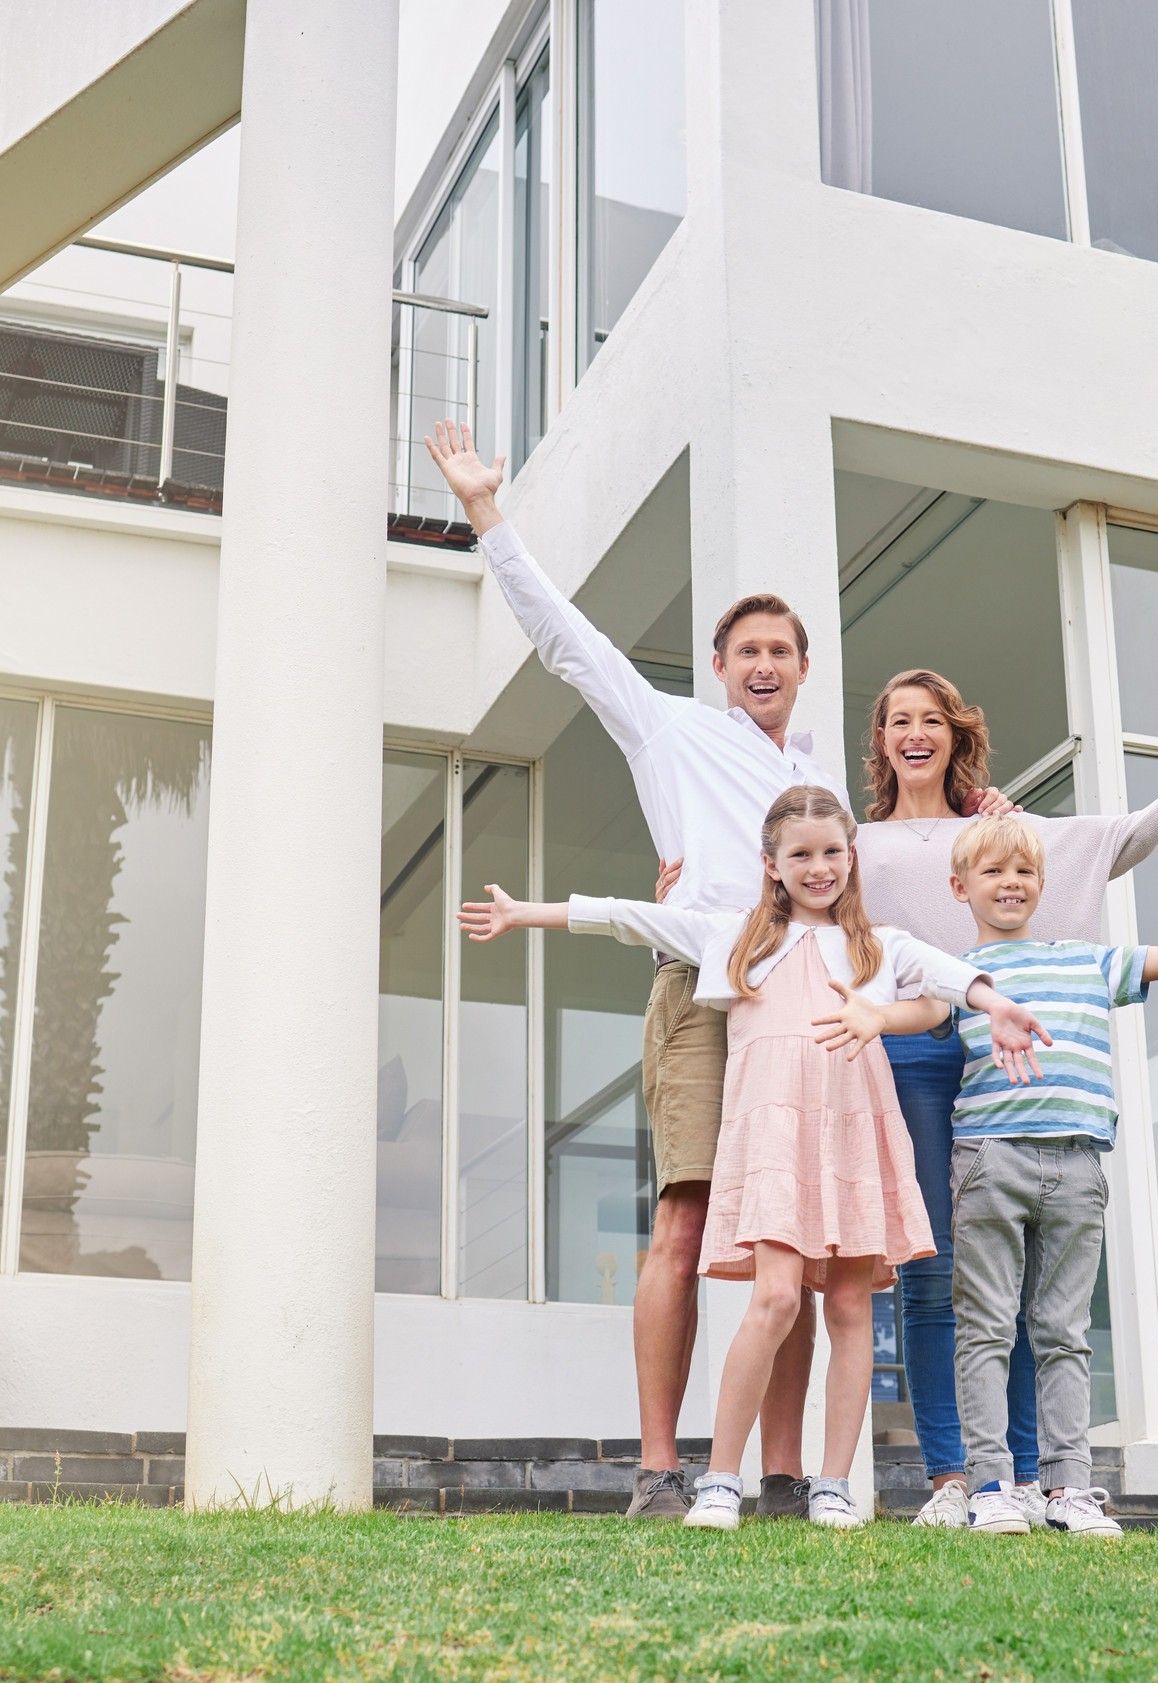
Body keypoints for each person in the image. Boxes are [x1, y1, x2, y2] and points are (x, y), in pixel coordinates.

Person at [424, 418, 845, 1520]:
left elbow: (869, 878)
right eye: (744, 650)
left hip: (803, 1013)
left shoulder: (813, 778)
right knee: (687, 1226)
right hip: (705, 1002)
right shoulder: (670, 732)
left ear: (803, 671)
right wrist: (486, 515)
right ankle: (661, 1469)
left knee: (791, 1243)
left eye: (780, 651)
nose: (762, 665)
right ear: (718, 668)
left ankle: (787, 1476)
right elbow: (565, 641)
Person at [458, 787, 1049, 1530]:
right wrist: (526, 913)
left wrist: (996, 1006)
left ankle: (831, 1483)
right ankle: (718, 1479)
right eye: (800, 853)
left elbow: (950, 976)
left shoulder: (880, 944)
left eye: (832, 851)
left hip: (850, 1135)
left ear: (850, 858)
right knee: (773, 1297)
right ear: (770, 865)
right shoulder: (732, 936)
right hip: (772, 1140)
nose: (819, 866)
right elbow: (623, 915)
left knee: (846, 1305)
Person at [846, 669, 1158, 1527]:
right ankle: (955, 1476)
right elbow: (798, 889)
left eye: (931, 720)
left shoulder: (1002, 833)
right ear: (880, 741)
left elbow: (1128, 836)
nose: (914, 733)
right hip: (915, 1048)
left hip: (1010, 1062)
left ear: (955, 733)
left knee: (1019, 1288)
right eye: (897, 721)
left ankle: (1026, 1473)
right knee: (933, 1271)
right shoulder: (860, 844)